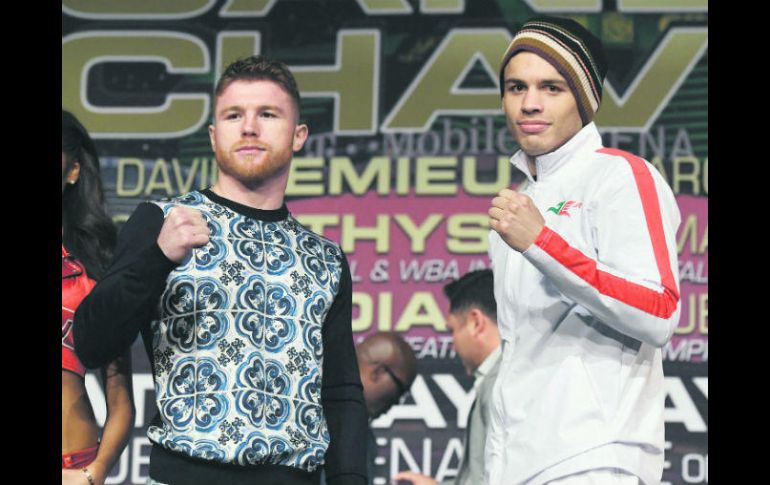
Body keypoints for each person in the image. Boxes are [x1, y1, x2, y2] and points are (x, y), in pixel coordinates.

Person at [74, 56, 368, 485]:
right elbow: (91, 342)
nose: (249, 127)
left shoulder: (322, 257)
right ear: (214, 136)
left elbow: (340, 394)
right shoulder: (164, 220)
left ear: (298, 135)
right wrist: (157, 258)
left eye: (267, 114)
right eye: (234, 115)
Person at [485, 17, 681, 485]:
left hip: (595, 455)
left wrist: (544, 243)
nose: (530, 103)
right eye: (516, 87)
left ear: (585, 98)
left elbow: (659, 312)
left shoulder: (620, 176)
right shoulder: (517, 204)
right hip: (515, 461)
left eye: (552, 87)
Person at [62, 110, 135, 485]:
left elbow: (119, 388)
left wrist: (94, 473)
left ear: (72, 171)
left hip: (74, 465)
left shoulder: (96, 264)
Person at [393, 269, 501, 485]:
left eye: (452, 330)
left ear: (475, 322)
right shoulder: (499, 380)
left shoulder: (499, 385)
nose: (452, 342)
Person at [355, 332, 417, 485]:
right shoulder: (352, 432)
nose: (397, 402)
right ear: (378, 372)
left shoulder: (361, 432)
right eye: (400, 389)